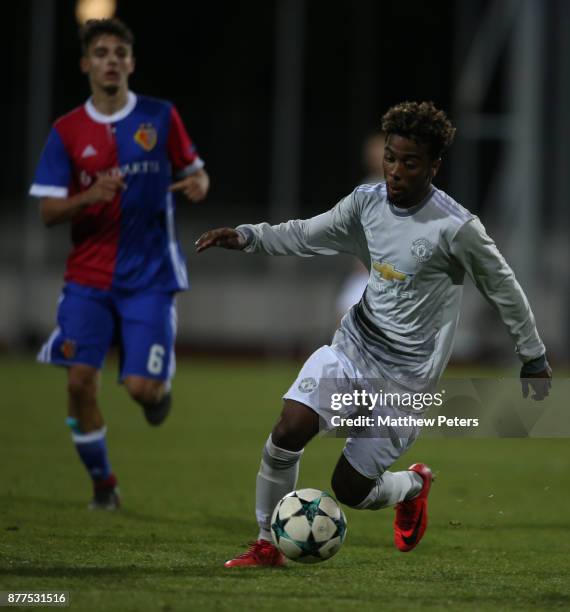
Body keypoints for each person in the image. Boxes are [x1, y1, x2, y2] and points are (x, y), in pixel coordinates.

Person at [195, 101, 551, 566]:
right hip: (353, 349)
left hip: (406, 384)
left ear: (434, 166)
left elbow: (504, 288)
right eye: (390, 157)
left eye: (410, 162)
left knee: (351, 489)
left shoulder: (457, 228)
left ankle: (415, 484)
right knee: (289, 428)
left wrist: (533, 355)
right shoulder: (366, 202)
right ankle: (267, 543)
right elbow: (306, 233)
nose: (395, 171)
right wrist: (248, 236)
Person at [29, 18, 209, 510]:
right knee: (78, 381)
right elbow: (47, 211)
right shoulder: (67, 131)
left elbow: (197, 173)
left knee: (141, 389)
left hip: (149, 278)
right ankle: (104, 486)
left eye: (119, 53)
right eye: (101, 53)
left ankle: (154, 391)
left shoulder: (160, 116)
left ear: (131, 62)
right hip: (87, 280)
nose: (111, 60)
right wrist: (89, 195)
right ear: (86, 64)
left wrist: (198, 184)